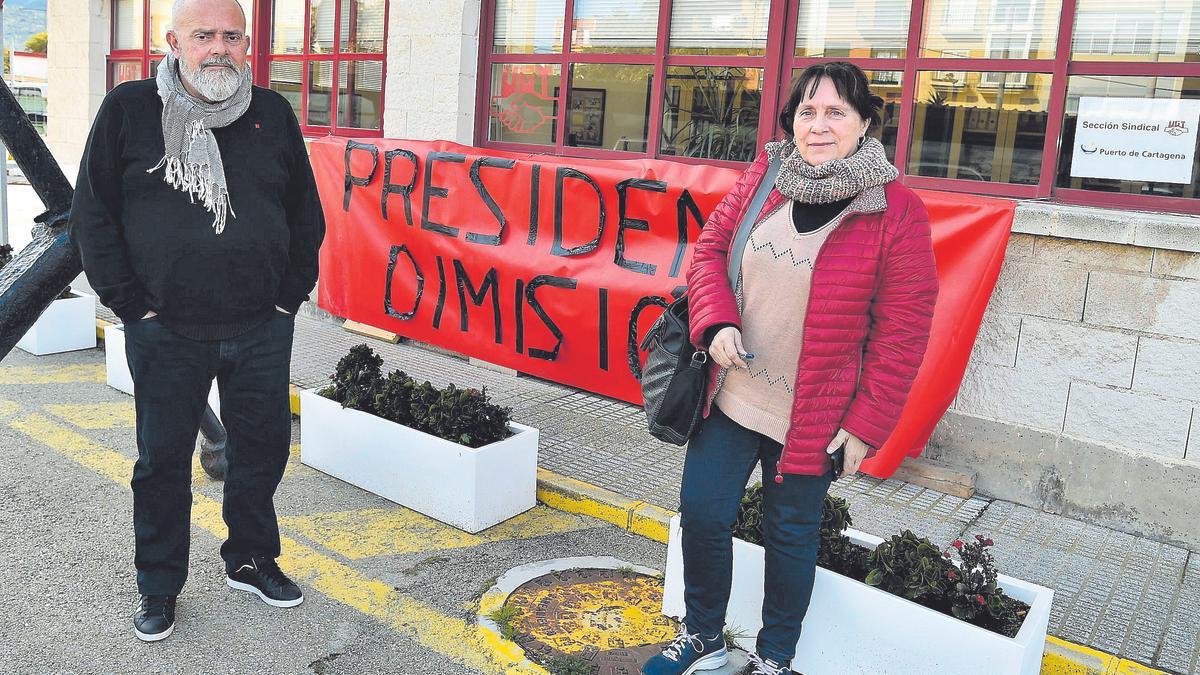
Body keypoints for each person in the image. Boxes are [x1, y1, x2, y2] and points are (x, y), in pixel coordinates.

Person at [642, 62, 939, 675]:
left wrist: (864, 426)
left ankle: (776, 658)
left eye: (836, 112)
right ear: (791, 122)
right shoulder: (765, 178)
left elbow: (902, 335)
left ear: (864, 124)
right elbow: (711, 249)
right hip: (733, 396)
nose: (819, 125)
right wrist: (717, 321)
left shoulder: (896, 211)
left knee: (791, 537)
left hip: (814, 420)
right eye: (807, 111)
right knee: (702, 513)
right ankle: (704, 637)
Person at [68, 0, 325, 642]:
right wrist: (133, 307)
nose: (218, 48)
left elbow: (305, 214)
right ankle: (158, 586)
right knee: (161, 462)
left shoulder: (272, 113)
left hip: (261, 326)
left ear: (249, 44)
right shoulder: (129, 109)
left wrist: (288, 298)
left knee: (261, 451)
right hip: (165, 330)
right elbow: (92, 216)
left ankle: (250, 558)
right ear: (174, 40)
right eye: (203, 35)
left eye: (231, 37)